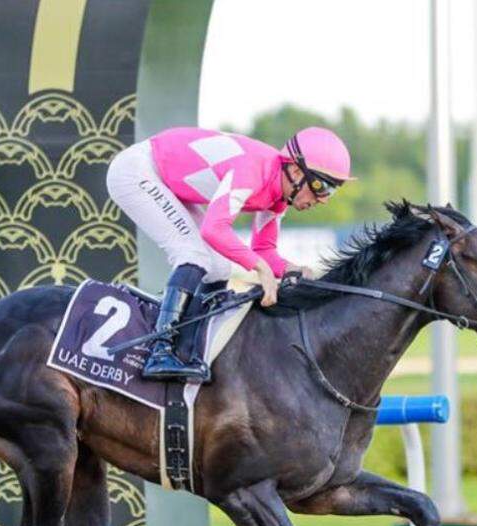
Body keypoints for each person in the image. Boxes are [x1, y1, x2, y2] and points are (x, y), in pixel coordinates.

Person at [105, 125, 354, 382]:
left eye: (331, 190)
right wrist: (259, 268)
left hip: (165, 180)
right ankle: (160, 349)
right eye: (320, 185)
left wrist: (293, 269)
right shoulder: (255, 170)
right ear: (294, 170)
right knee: (194, 254)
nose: (322, 198)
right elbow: (214, 229)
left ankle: (193, 349)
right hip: (137, 171)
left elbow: (264, 251)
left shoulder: (280, 197)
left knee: (219, 267)